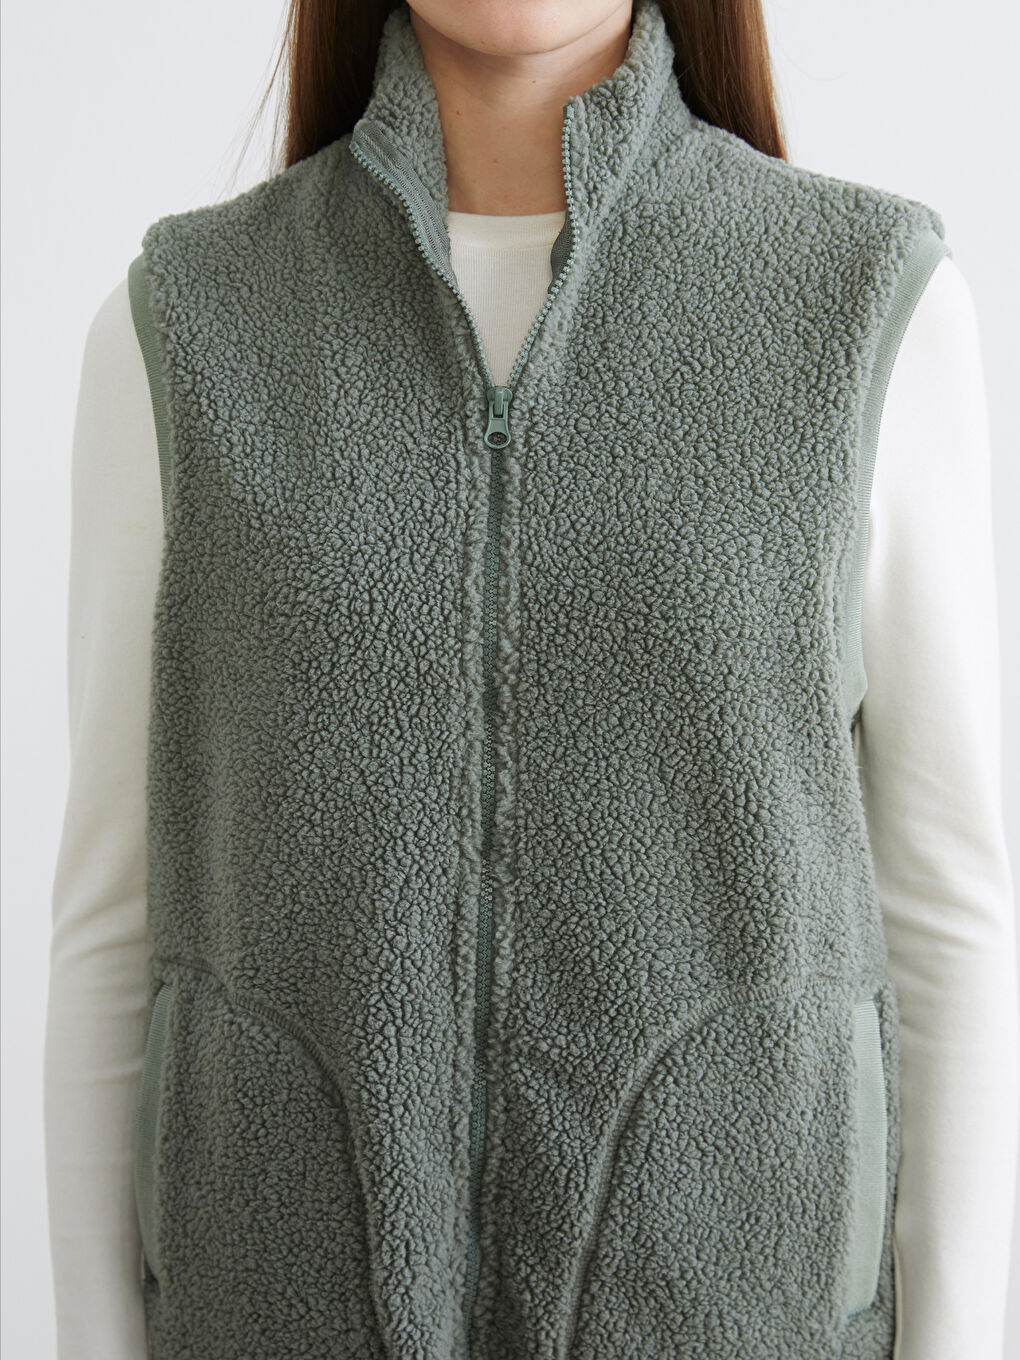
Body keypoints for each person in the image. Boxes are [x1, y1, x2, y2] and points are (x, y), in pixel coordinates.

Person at [44, 1, 1018, 1358]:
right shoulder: (185, 324)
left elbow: (947, 909)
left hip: (740, 1314)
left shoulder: (864, 302)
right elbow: (114, 914)